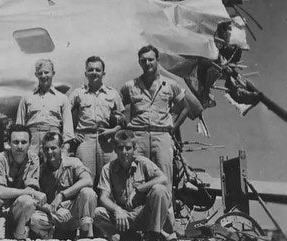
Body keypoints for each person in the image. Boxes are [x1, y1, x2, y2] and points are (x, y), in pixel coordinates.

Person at [120, 45, 189, 194]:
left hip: (162, 136)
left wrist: (174, 127)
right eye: (143, 60)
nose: (147, 63)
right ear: (139, 62)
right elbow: (119, 108)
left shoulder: (171, 85)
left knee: (164, 178)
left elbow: (185, 108)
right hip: (138, 137)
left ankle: (165, 215)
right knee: (137, 177)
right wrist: (125, 124)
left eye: (151, 59)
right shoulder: (130, 86)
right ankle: (138, 215)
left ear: (157, 60)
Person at [94, 130, 174, 241]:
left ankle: (154, 235)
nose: (124, 152)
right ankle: (126, 235)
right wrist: (117, 210)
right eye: (120, 148)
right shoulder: (108, 168)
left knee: (160, 190)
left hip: (143, 214)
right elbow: (103, 197)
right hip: (124, 216)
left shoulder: (142, 163)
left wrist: (139, 189)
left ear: (134, 149)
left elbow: (163, 178)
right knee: (97, 213)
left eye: (128, 148)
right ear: (115, 149)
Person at [0, 125, 46, 240]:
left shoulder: (33, 159)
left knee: (42, 221)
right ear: (9, 143)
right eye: (16, 142)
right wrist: (28, 192)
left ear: (30, 144)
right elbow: (0, 191)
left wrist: (29, 193)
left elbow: (30, 192)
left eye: (24, 142)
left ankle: (19, 233)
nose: (20, 146)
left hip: (20, 210)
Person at [69, 56, 125, 184]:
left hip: (107, 140)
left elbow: (123, 121)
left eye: (97, 70)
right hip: (85, 140)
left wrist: (113, 130)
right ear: (86, 73)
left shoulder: (113, 94)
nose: (94, 72)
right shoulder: (78, 93)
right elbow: (65, 115)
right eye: (91, 70)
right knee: (85, 178)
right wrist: (72, 135)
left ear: (103, 73)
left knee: (109, 178)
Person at [30, 132, 97, 239]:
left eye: (53, 148)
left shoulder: (73, 163)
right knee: (35, 219)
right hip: (54, 213)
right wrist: (54, 210)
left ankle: (85, 234)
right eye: (46, 149)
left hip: (73, 212)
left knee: (88, 193)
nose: (49, 152)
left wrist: (62, 195)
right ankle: (48, 238)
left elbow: (88, 180)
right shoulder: (40, 170)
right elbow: (34, 198)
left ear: (61, 148)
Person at [16, 59, 74, 156]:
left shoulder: (62, 98)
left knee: (52, 170)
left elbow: (68, 129)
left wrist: (65, 150)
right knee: (31, 169)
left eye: (46, 72)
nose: (43, 76)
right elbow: (19, 126)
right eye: (40, 73)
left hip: (53, 141)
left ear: (53, 73)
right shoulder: (26, 97)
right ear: (36, 75)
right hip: (32, 143)